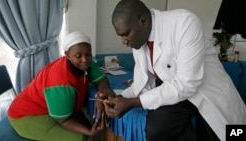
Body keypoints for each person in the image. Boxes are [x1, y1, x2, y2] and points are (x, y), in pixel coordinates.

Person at [97, 0, 246, 141]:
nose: (124, 41)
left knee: (223, 134)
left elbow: (187, 84)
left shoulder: (184, 23)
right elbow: (144, 82)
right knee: (157, 129)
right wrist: (119, 97)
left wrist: (133, 102)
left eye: (126, 34)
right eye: (121, 36)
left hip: (205, 91)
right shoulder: (139, 40)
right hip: (177, 93)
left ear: (143, 21)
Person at [7, 31, 114, 141]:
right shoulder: (60, 83)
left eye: (88, 54)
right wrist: (89, 132)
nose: (85, 60)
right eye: (78, 56)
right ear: (67, 55)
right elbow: (63, 120)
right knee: (80, 137)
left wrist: (100, 97)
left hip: (53, 109)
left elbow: (102, 80)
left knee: (90, 127)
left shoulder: (85, 63)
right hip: (27, 116)